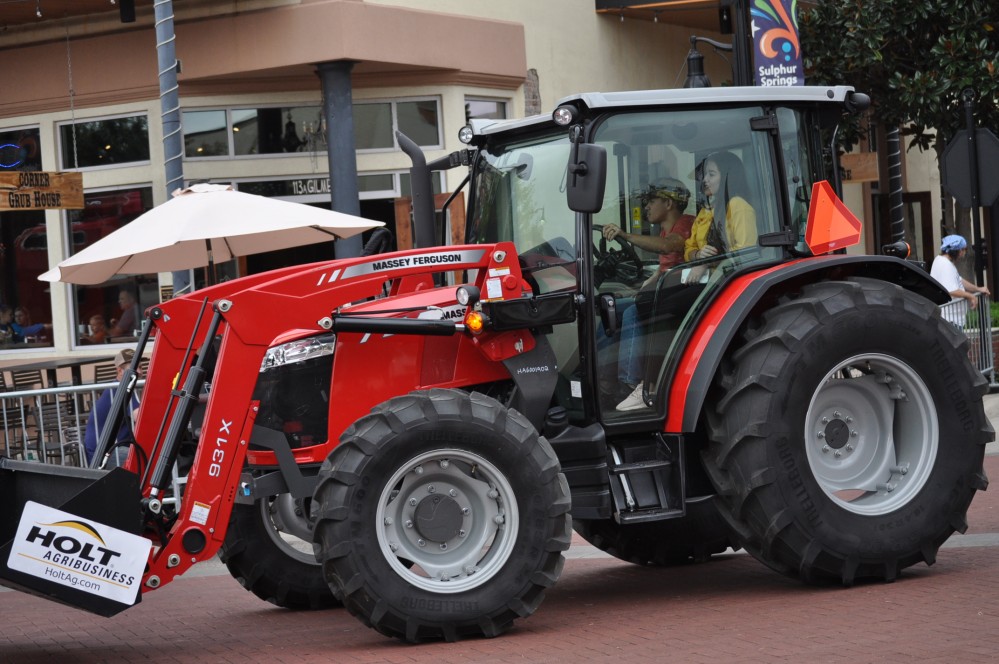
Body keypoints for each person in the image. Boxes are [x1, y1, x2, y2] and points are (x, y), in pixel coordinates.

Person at [616, 152, 757, 411]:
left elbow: (744, 253)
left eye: (711, 175)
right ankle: (648, 382)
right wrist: (697, 256)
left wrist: (706, 261)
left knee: (658, 305)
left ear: (727, 176)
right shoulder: (707, 211)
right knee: (649, 301)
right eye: (705, 176)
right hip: (702, 278)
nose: (705, 181)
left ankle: (650, 386)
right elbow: (689, 249)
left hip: (726, 282)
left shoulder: (737, 207)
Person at [600, 178, 695, 400]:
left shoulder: (685, 224)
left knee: (633, 311)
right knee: (609, 306)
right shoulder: (664, 230)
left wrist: (624, 235)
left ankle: (629, 382)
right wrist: (638, 290)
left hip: (681, 294)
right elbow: (664, 267)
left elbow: (669, 246)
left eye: (651, 201)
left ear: (668, 203)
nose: (646, 207)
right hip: (666, 287)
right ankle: (604, 380)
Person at [84, 348, 140, 467]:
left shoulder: (119, 387)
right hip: (104, 452)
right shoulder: (122, 389)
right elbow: (140, 417)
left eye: (141, 367)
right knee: (152, 457)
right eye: (135, 368)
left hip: (108, 449)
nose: (140, 371)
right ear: (120, 371)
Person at [930, 234, 990, 328]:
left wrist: (978, 289)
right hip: (949, 320)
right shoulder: (945, 265)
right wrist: (970, 296)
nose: (963, 253)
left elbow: (960, 280)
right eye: (963, 250)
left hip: (950, 319)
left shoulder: (942, 261)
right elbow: (951, 291)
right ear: (956, 250)